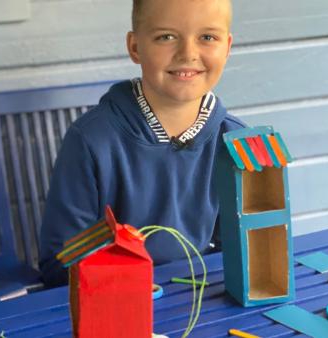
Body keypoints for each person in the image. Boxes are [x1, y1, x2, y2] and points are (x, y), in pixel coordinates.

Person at [39, 0, 245, 287]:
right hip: (114, 298)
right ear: (135, 47)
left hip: (203, 297)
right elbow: (60, 262)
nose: (188, 53)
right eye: (166, 37)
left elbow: (238, 250)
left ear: (228, 46)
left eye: (207, 37)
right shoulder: (90, 140)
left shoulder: (236, 142)